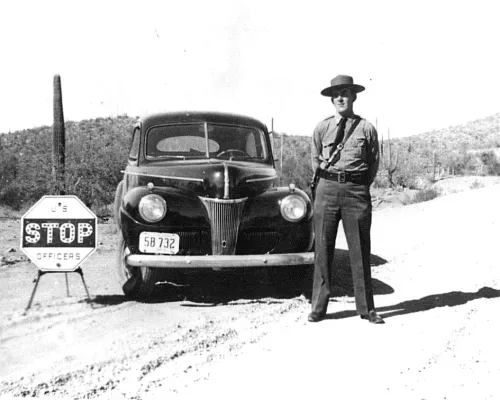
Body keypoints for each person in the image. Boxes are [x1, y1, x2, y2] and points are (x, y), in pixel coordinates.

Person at [308, 74, 384, 324]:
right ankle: (318, 308)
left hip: (355, 192)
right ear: (332, 99)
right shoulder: (322, 127)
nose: (340, 98)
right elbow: (315, 160)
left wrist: (358, 185)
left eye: (345, 93)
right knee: (322, 250)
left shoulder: (366, 129)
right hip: (326, 190)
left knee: (360, 251)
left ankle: (366, 309)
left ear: (353, 96)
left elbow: (373, 164)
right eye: (336, 94)